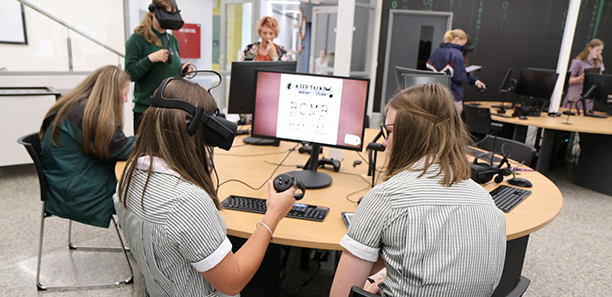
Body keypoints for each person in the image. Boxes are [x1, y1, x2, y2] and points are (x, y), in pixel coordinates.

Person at [114, 78, 297, 296]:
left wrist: (195, 165)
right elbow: (233, 281)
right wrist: (273, 215)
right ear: (192, 131)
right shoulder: (187, 202)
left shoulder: (129, 177)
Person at [329, 83, 506, 297]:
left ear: (410, 134)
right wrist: (383, 276)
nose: (385, 142)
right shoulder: (485, 200)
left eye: (390, 131)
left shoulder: (386, 198)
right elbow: (443, 272)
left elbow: (340, 294)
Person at [39, 65, 135, 228]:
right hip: (75, 191)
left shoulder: (79, 105)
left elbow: (115, 144)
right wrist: (151, 139)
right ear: (110, 92)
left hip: (64, 181)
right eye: (125, 94)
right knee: (140, 191)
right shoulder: (91, 114)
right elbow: (123, 150)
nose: (126, 100)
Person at [125, 0, 194, 132]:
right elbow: (129, 73)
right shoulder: (137, 39)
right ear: (153, 12)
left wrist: (183, 69)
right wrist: (150, 59)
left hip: (171, 110)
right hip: (147, 110)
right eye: (167, 14)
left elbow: (170, 72)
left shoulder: (171, 40)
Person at [427, 29, 486, 112]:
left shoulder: (437, 51)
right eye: (464, 42)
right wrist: (467, 75)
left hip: (435, 96)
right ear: (458, 39)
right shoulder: (457, 54)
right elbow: (460, 77)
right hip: (452, 97)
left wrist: (475, 80)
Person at [562, 38, 605, 112]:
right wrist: (580, 78)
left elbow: (601, 76)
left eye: (601, 50)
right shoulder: (577, 62)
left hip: (587, 100)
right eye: (597, 50)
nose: (599, 52)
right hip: (575, 98)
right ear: (590, 49)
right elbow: (569, 80)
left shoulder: (598, 62)